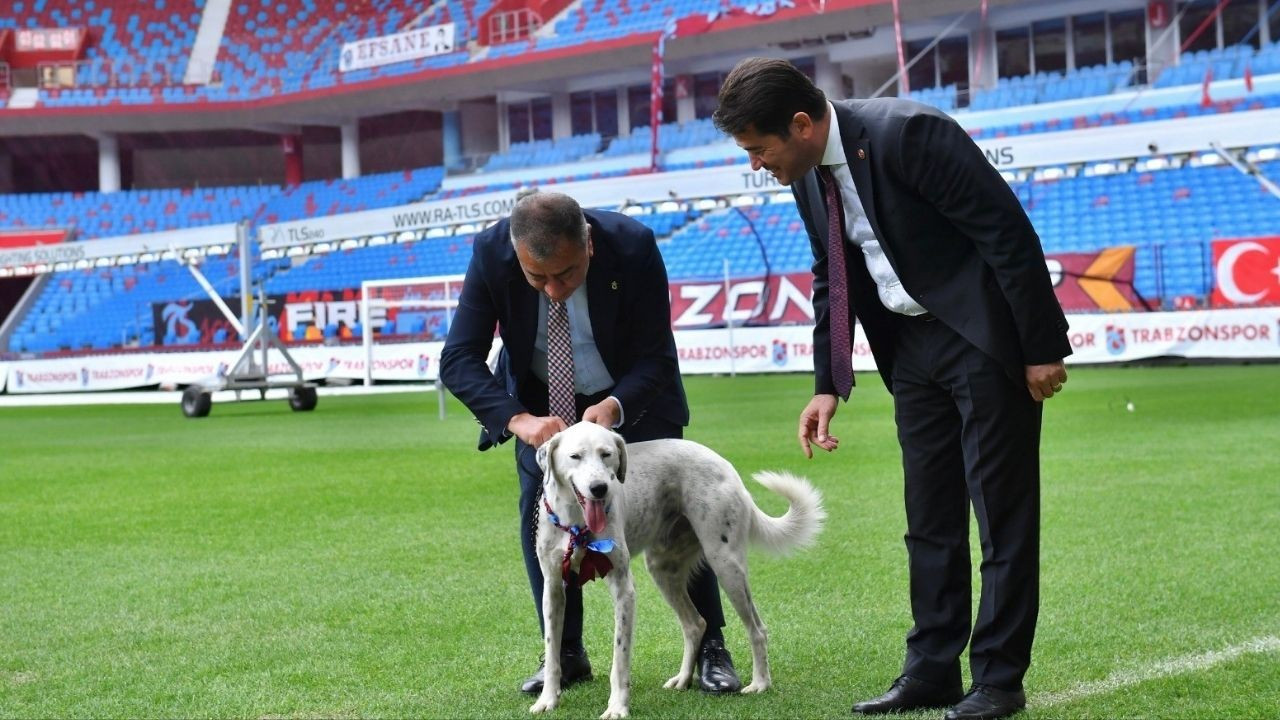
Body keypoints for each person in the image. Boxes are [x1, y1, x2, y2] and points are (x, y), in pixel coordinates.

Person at [713, 58, 1072, 720]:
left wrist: (1041, 348)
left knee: (1002, 516)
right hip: (910, 353)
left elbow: (1007, 234)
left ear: (798, 125)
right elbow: (831, 274)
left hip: (982, 339)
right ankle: (932, 669)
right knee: (929, 519)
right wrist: (828, 384)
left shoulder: (912, 134)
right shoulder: (805, 174)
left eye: (759, 150)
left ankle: (997, 679)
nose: (757, 165)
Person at [438, 190, 742, 696]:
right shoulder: (491, 253)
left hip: (631, 402)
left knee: (682, 517)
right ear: (517, 255)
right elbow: (459, 358)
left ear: (590, 247)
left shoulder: (634, 246)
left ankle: (712, 646)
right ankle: (565, 655)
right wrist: (517, 419)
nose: (553, 291)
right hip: (541, 415)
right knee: (545, 521)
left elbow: (657, 358)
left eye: (567, 274)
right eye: (538, 278)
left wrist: (615, 408)